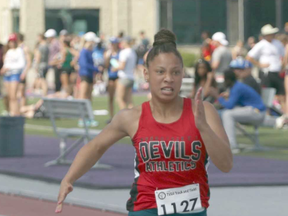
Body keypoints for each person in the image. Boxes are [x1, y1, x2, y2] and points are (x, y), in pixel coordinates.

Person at [55, 29, 233, 216]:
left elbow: (226, 164)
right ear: (147, 74)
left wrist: (203, 127)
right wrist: (69, 178)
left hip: (191, 211)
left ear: (182, 75)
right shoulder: (131, 117)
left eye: (175, 72)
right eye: (160, 72)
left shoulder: (204, 112)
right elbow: (96, 147)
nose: (168, 79)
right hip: (146, 209)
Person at [218, 69, 266, 152]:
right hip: (253, 111)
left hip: (257, 112)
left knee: (227, 114)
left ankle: (232, 145)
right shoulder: (235, 86)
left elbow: (230, 105)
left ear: (228, 80)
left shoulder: (237, 87)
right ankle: (224, 142)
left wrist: (218, 97)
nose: (224, 82)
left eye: (225, 80)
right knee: (223, 113)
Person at [246, 24, 286, 112]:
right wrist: (260, 64)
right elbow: (249, 57)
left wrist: (282, 67)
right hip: (266, 72)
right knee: (267, 95)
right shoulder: (261, 45)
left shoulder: (277, 43)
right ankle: (267, 114)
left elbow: (284, 55)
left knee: (281, 95)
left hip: (277, 72)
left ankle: (285, 115)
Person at [0, 33, 25, 116]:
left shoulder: (19, 51)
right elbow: (6, 64)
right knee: (9, 96)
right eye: (10, 42)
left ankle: (16, 113)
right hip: (7, 75)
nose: (12, 43)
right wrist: (4, 69)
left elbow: (21, 65)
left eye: (13, 41)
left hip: (14, 74)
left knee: (14, 96)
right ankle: (11, 112)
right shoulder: (8, 52)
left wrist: (9, 68)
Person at [112, 36, 137, 110]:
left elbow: (122, 66)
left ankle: (125, 118)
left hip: (124, 77)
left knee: (119, 99)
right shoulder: (132, 51)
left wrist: (115, 68)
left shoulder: (124, 52)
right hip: (131, 77)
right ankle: (133, 119)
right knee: (129, 101)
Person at [104, 37, 120, 123]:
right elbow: (106, 66)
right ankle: (112, 116)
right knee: (110, 97)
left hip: (118, 76)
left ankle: (120, 117)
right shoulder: (108, 54)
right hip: (111, 76)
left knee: (119, 97)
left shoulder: (120, 53)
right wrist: (107, 57)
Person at [17, 33, 32, 108]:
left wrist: (24, 73)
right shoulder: (17, 48)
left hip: (22, 73)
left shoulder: (24, 48)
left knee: (21, 92)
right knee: (17, 92)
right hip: (16, 72)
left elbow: (29, 62)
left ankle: (22, 108)